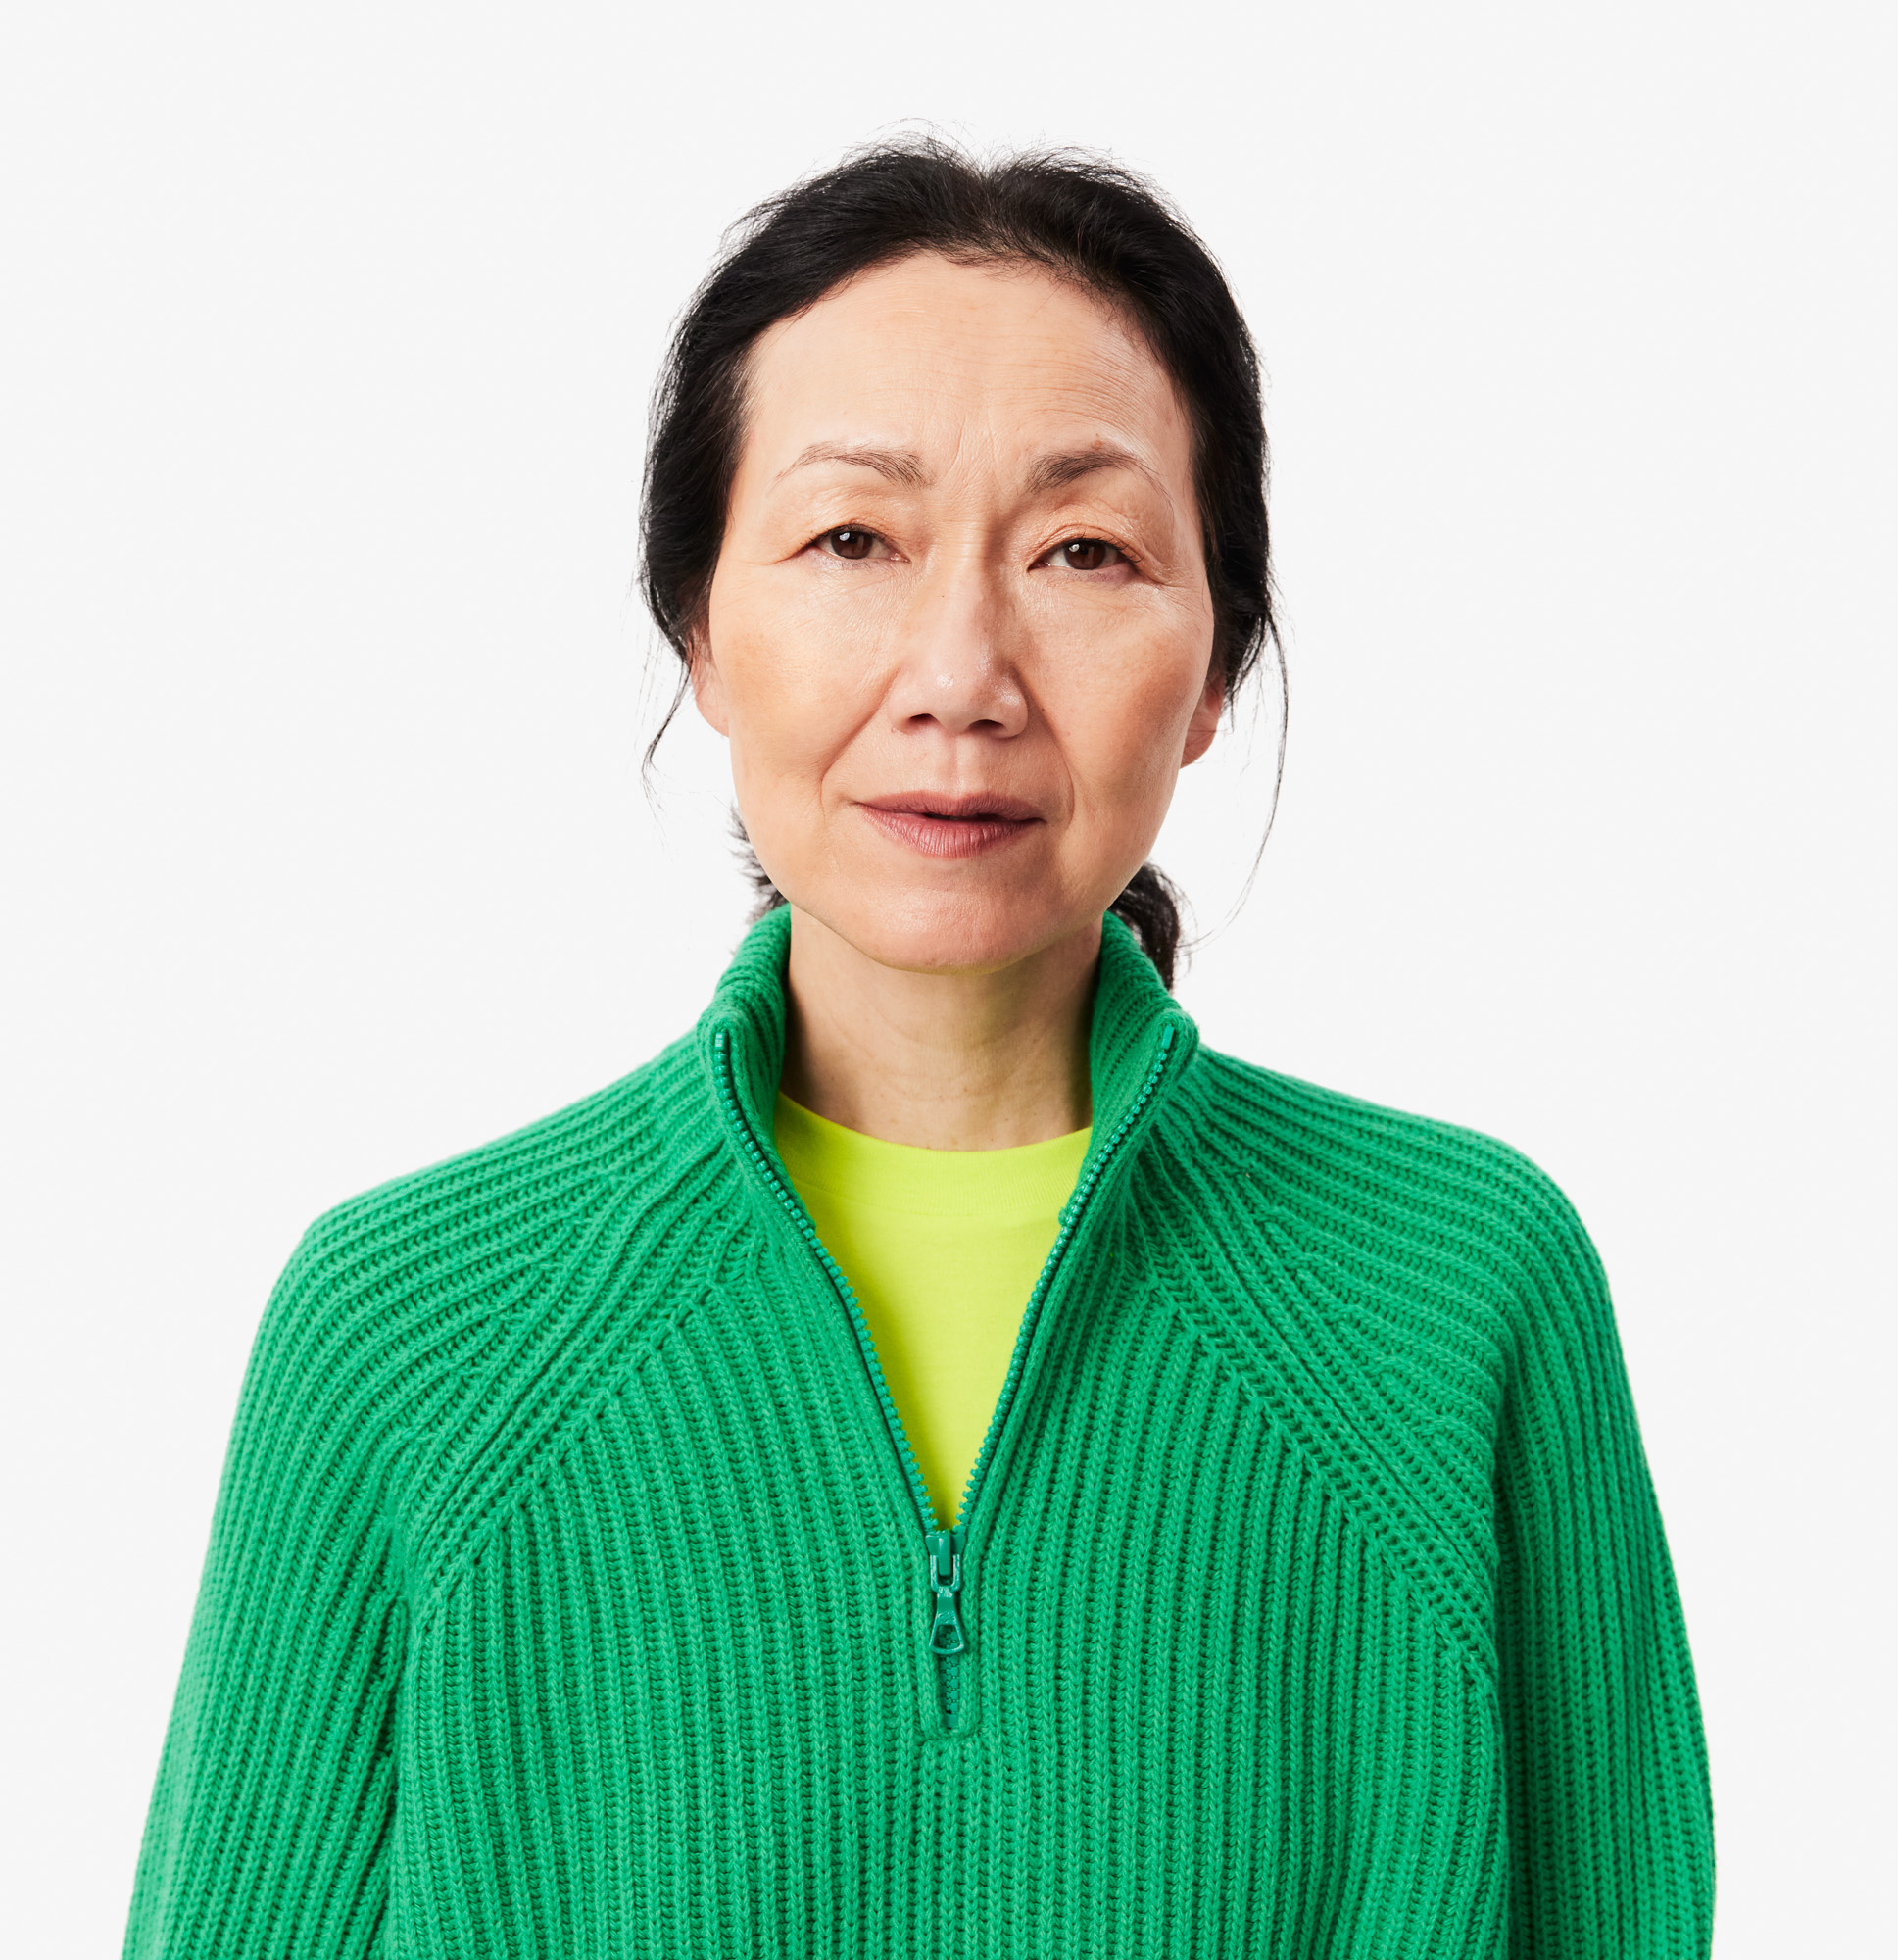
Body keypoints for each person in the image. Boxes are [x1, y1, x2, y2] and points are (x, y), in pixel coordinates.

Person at [124, 140, 1715, 1957]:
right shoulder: (409, 1336)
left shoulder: (1460, 1292)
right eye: (853, 541)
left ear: (1216, 670)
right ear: (701, 632)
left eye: (1084, 550)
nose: (962, 675)